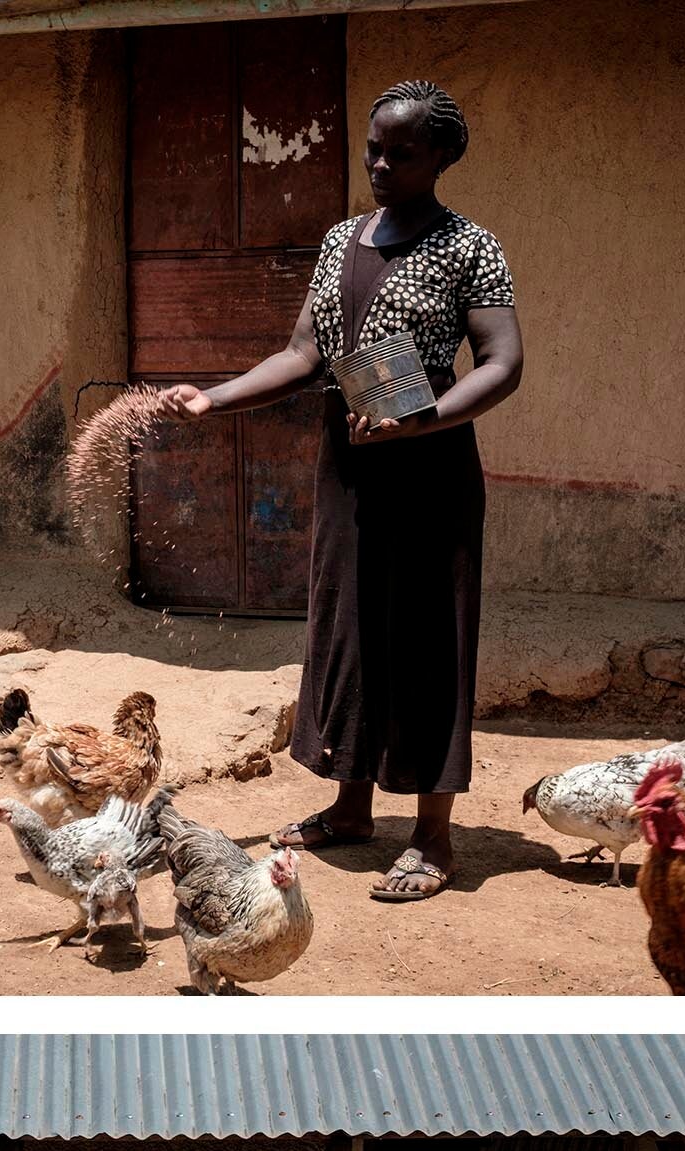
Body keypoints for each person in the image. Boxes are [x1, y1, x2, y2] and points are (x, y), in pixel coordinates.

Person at [153, 80, 524, 904]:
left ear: (442, 158)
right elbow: (303, 354)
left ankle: (432, 836)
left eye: (402, 152)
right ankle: (351, 807)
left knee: (430, 639)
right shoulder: (338, 241)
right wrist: (216, 396)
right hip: (350, 466)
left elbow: (502, 364)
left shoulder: (471, 247)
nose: (381, 163)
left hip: (429, 474)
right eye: (373, 147)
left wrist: (422, 420)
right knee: (348, 631)